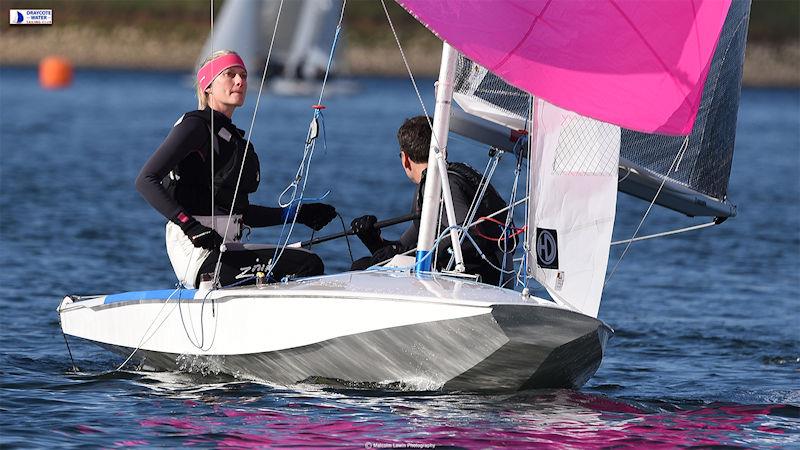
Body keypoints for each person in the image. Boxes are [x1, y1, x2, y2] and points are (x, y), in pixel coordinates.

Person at [136, 50, 336, 288]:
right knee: (306, 264)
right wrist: (191, 227)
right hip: (197, 255)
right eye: (230, 75)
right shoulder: (195, 126)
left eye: (243, 75)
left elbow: (239, 213)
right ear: (208, 86)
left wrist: (296, 214)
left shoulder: (233, 139)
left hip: (226, 248)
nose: (240, 81)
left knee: (310, 260)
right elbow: (145, 180)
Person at [350, 116, 509, 285]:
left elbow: (469, 233)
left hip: (478, 279)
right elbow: (404, 248)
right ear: (444, 151)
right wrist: (371, 238)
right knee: (365, 264)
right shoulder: (432, 184)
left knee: (359, 269)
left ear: (405, 159)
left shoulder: (442, 184)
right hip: (462, 274)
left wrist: (417, 254)